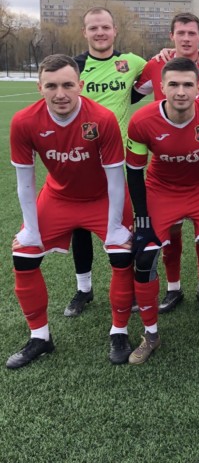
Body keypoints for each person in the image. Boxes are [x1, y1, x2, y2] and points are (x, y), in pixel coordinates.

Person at [7, 54, 134, 369]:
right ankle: (40, 337)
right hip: (58, 197)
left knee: (122, 254)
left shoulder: (102, 119)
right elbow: (25, 181)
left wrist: (115, 225)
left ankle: (119, 331)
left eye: (67, 85)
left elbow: (116, 178)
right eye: (51, 86)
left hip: (103, 198)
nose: (60, 93)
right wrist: (30, 228)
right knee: (23, 255)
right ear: (40, 88)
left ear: (81, 85)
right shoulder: (24, 121)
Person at [125, 58, 199, 362]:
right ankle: (150, 334)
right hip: (162, 189)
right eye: (173, 84)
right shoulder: (142, 120)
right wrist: (142, 217)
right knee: (144, 255)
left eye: (188, 85)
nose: (181, 91)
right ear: (161, 87)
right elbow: (134, 172)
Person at [134, 13, 199, 315]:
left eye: (192, 33)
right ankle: (173, 287)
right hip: (165, 172)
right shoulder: (154, 65)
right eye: (181, 33)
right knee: (171, 233)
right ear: (172, 36)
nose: (186, 38)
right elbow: (130, 94)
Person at [65, 7, 147, 318]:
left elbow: (159, 72)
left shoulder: (132, 62)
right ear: (84, 32)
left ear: (115, 31)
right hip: (81, 159)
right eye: (93, 28)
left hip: (120, 159)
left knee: (126, 226)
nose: (100, 33)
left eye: (105, 27)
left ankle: (133, 287)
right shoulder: (74, 67)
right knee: (79, 226)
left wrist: (170, 52)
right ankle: (84, 289)